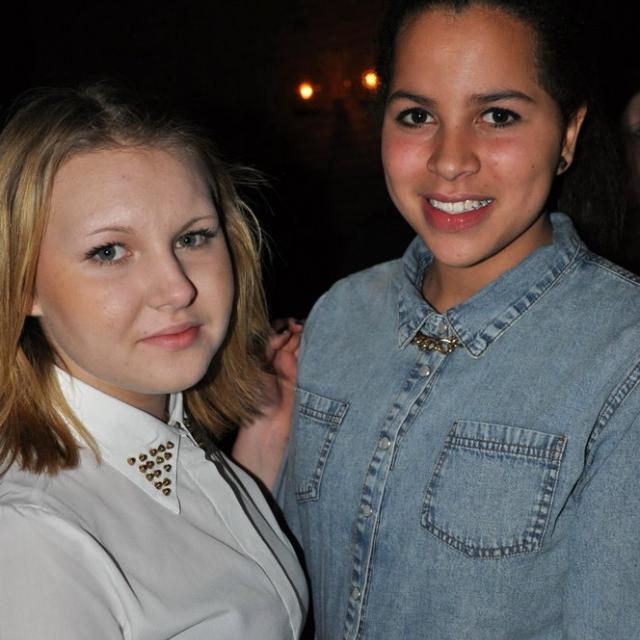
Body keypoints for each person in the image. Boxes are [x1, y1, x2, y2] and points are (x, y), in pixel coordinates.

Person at [273, 1, 640, 638]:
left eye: (497, 116)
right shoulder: (338, 315)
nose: (449, 159)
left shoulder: (622, 355)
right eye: (417, 116)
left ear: (568, 135)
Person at [0, 85, 307, 639]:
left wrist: (263, 439)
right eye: (109, 251)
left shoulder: (170, 437)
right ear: (23, 284)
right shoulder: (32, 535)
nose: (177, 288)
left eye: (193, 237)